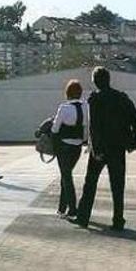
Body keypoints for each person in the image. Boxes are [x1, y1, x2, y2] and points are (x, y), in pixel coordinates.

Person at [75, 67, 136, 231]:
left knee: (90, 183)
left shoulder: (94, 99)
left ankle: (83, 217)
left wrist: (96, 150)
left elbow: (94, 127)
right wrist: (134, 142)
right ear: (109, 79)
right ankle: (118, 219)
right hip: (118, 147)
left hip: (100, 148)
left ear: (95, 81)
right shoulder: (122, 98)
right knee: (118, 185)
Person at [51, 79, 88, 220]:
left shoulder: (64, 108)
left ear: (68, 93)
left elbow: (55, 128)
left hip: (64, 145)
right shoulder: (86, 107)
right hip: (77, 146)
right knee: (65, 175)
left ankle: (72, 208)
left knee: (66, 177)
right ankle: (61, 208)